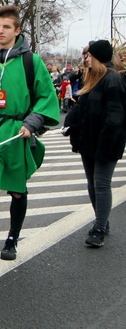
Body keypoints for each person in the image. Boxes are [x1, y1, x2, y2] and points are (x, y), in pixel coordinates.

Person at [0, 5, 59, 268]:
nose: (0, 31)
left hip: (18, 134)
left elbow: (46, 99)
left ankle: (12, 239)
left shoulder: (32, 62)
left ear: (17, 31)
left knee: (17, 191)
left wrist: (32, 123)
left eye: (6, 27)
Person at [64, 40, 126, 248]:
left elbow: (116, 117)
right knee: (92, 184)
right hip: (88, 142)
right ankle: (103, 222)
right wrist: (71, 124)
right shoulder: (91, 78)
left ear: (98, 57)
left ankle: (99, 228)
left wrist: (105, 145)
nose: (86, 58)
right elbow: (82, 108)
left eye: (89, 55)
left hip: (106, 143)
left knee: (101, 184)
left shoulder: (112, 80)